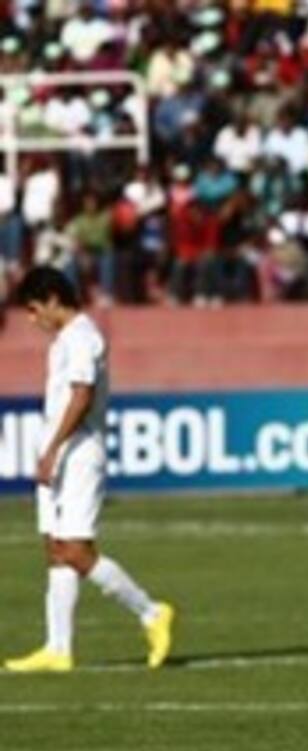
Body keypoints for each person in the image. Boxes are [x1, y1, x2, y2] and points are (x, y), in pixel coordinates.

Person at [6, 266, 175, 673]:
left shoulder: (84, 337)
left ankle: (151, 613)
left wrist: (54, 449)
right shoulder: (64, 340)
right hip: (59, 452)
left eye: (33, 310)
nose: (32, 320)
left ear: (51, 299)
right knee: (55, 549)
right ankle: (57, 648)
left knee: (76, 551)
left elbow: (82, 396)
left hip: (78, 453)